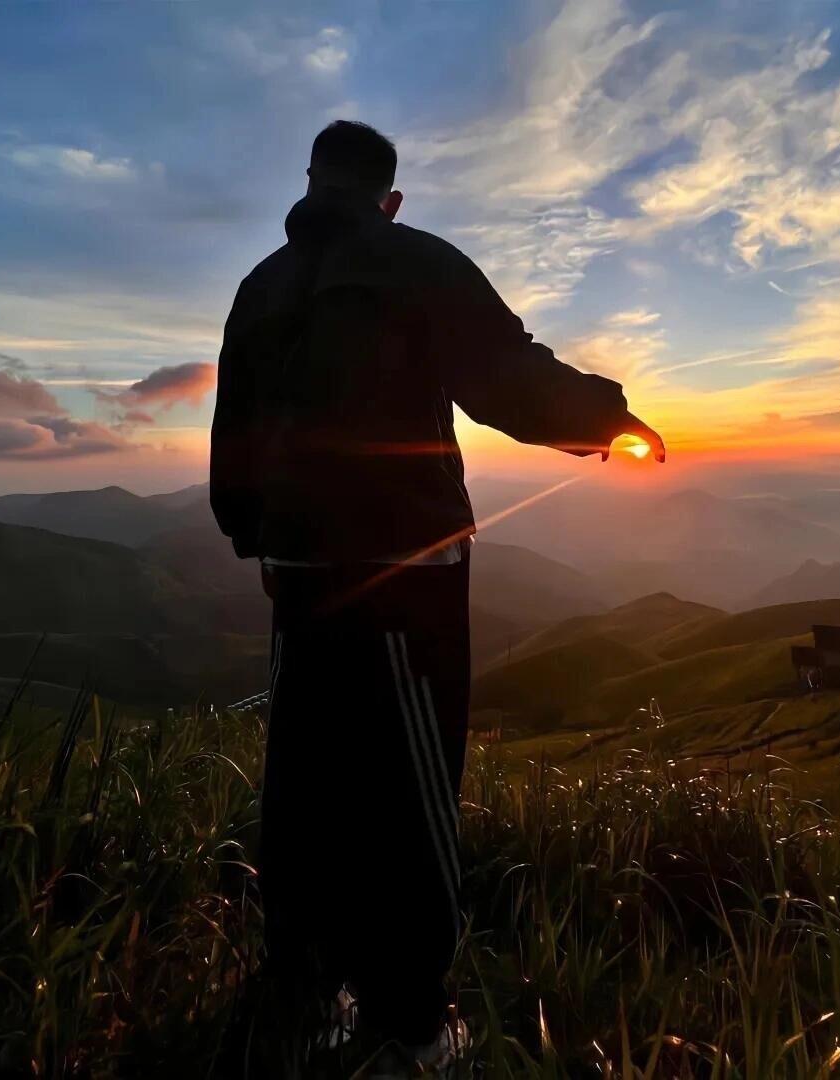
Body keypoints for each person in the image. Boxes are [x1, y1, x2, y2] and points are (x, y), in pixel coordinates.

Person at [210, 120, 665, 1075]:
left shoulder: (261, 285)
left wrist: (256, 537)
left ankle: (301, 995)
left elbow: (236, 432)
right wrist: (609, 416)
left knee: (304, 777)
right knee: (409, 788)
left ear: (309, 181)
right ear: (390, 196)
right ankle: (410, 1024)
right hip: (404, 567)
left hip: (296, 571)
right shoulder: (413, 259)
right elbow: (508, 377)